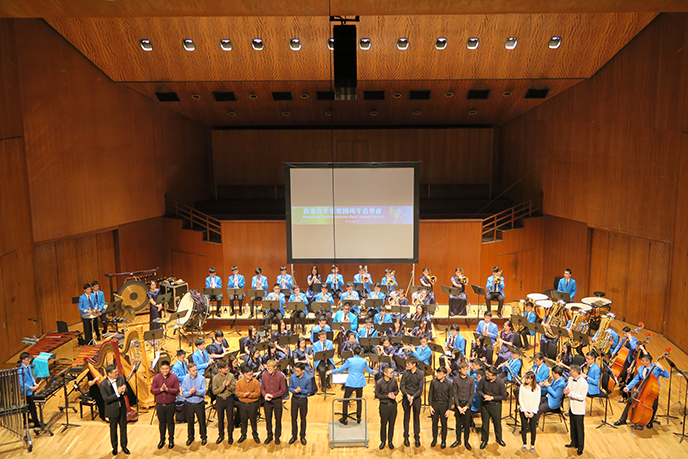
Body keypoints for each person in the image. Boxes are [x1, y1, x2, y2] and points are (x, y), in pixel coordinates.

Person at [614, 353, 670, 429]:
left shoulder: (656, 369)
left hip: (653, 390)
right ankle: (623, 419)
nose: (641, 362)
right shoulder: (641, 369)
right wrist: (628, 387)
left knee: (654, 406)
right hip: (642, 389)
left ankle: (649, 422)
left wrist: (662, 367)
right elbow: (636, 379)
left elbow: (667, 376)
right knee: (630, 401)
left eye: (643, 360)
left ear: (648, 361)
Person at [329, 346, 375, 424]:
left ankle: (344, 418)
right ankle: (358, 418)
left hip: (351, 382)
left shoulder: (349, 360)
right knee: (359, 400)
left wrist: (331, 371)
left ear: (353, 352)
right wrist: (374, 372)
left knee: (345, 400)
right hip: (359, 382)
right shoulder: (363, 360)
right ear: (360, 353)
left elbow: (340, 369)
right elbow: (369, 370)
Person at [100, 364, 130, 455]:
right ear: (109, 374)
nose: (117, 373)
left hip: (122, 408)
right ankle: (115, 447)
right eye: (115, 372)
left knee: (123, 428)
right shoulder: (103, 384)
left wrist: (124, 390)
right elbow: (106, 399)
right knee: (113, 430)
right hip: (112, 410)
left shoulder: (120, 379)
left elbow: (126, 392)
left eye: (117, 371)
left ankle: (124, 446)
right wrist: (117, 393)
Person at [151, 360, 180, 449]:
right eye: (163, 369)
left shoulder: (174, 378)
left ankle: (171, 440)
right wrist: (160, 389)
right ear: (160, 369)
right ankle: (162, 440)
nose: (165, 370)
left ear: (169, 369)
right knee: (162, 423)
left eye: (166, 369)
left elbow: (177, 390)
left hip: (170, 404)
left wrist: (167, 389)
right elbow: (152, 390)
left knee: (170, 422)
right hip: (160, 404)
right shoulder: (156, 378)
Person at [477, 366, 507, 450]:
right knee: (485, 423)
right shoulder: (484, 379)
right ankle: (484, 440)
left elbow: (504, 396)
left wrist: (492, 398)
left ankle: (499, 439)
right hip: (485, 405)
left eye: (489, 375)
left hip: (495, 405)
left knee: (497, 423)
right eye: (487, 374)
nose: (487, 375)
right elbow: (478, 390)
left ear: (494, 376)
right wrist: (484, 395)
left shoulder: (500, 382)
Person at [260, 360, 286, 444]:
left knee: (278, 419)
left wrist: (273, 395)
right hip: (267, 401)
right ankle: (269, 435)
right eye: (268, 368)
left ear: (275, 367)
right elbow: (262, 388)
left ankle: (277, 436)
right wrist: (265, 395)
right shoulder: (264, 375)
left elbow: (283, 390)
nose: (269, 370)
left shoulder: (280, 376)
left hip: (277, 400)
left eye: (270, 369)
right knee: (268, 419)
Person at [564, 364, 588, 456]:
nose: (570, 372)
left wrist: (570, 393)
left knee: (579, 428)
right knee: (573, 426)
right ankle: (573, 442)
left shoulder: (584, 383)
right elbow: (568, 388)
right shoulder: (570, 379)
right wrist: (566, 391)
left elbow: (582, 397)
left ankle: (580, 447)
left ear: (576, 372)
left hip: (578, 409)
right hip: (571, 407)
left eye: (571, 371)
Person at [181, 362, 207, 446]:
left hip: (199, 403)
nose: (195, 372)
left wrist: (196, 391)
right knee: (190, 422)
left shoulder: (202, 378)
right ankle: (190, 437)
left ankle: (203, 437)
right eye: (193, 370)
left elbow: (203, 391)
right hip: (189, 403)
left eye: (196, 370)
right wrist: (190, 392)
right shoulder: (185, 380)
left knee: (202, 421)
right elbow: (184, 393)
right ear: (188, 371)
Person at [400, 359, 424, 447]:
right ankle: (406, 437)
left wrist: (413, 397)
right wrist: (407, 395)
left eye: (409, 364)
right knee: (406, 418)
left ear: (414, 364)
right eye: (407, 363)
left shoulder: (420, 373)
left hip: (416, 398)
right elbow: (402, 386)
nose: (407, 365)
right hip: (407, 397)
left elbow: (420, 388)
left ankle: (417, 438)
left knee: (416, 418)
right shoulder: (405, 373)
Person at [451, 361, 475, 450]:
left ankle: (466, 441)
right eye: (464, 369)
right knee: (458, 424)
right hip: (458, 405)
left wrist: (466, 406)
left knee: (466, 425)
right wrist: (458, 406)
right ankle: (458, 440)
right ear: (460, 370)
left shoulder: (471, 380)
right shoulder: (456, 379)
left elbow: (472, 394)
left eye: (467, 369)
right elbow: (455, 393)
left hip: (466, 405)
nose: (466, 371)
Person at [236, 363, 261, 444]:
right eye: (249, 375)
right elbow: (237, 392)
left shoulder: (256, 382)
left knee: (253, 421)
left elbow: (258, 393)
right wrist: (243, 395)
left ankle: (255, 434)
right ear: (244, 374)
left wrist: (249, 395)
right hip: (242, 404)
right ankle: (243, 435)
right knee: (243, 421)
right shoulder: (240, 381)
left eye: (252, 374)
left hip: (252, 404)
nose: (251, 376)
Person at [212, 359, 236, 445]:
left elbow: (233, 388)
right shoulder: (215, 378)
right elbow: (215, 391)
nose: (227, 369)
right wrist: (222, 387)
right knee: (220, 419)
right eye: (225, 368)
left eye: (227, 367)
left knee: (230, 419)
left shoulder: (231, 376)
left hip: (229, 398)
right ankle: (221, 436)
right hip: (220, 400)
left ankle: (230, 436)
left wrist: (228, 386)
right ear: (220, 369)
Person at [429, 367, 453, 449]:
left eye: (440, 373)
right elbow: (430, 394)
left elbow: (450, 397)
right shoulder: (433, 382)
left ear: (444, 374)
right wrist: (430, 406)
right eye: (437, 373)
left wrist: (449, 409)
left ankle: (443, 441)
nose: (438, 375)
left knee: (444, 424)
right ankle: (434, 439)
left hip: (444, 405)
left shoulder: (449, 384)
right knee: (434, 423)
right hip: (435, 404)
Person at [375, 364, 398, 450]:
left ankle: (390, 441)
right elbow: (377, 395)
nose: (392, 374)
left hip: (393, 406)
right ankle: (383, 441)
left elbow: (397, 390)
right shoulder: (379, 382)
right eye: (390, 372)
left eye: (392, 372)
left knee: (392, 425)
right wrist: (387, 396)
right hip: (384, 406)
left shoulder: (394, 381)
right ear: (385, 373)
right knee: (383, 424)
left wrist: (394, 394)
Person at [288, 362, 312, 445]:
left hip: (303, 400)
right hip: (294, 399)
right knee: (293, 418)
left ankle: (302, 436)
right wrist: (294, 390)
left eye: (298, 371)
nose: (296, 372)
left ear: (303, 370)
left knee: (303, 418)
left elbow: (309, 390)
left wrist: (301, 390)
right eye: (295, 370)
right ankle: (294, 436)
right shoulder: (292, 377)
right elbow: (289, 387)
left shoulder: (308, 378)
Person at [518, 370, 540, 453]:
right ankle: (524, 444)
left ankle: (532, 445)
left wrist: (533, 412)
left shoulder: (537, 388)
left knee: (533, 428)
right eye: (526, 378)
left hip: (533, 411)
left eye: (528, 378)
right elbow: (520, 399)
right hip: (524, 410)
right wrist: (524, 411)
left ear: (532, 379)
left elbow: (537, 401)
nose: (526, 379)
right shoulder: (522, 387)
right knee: (524, 428)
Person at [18, 353, 40, 428]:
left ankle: (26, 420)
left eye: (29, 359)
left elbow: (31, 376)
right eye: (27, 360)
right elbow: (21, 383)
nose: (29, 360)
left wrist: (34, 383)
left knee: (27, 405)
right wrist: (30, 387)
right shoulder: (20, 370)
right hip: (26, 390)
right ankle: (36, 422)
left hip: (31, 388)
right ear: (23, 360)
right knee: (32, 407)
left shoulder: (28, 366)